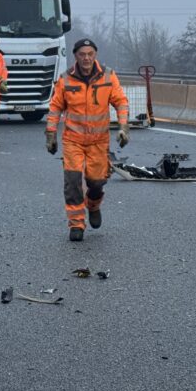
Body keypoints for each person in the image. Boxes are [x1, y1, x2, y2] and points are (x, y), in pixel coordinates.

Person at [46, 38, 129, 242]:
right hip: (73, 140)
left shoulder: (108, 76)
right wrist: (50, 134)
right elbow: (55, 107)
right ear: (75, 56)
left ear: (95, 55)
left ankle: (93, 205)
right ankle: (76, 224)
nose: (86, 58)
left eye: (90, 54)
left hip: (98, 141)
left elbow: (120, 101)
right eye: (82, 54)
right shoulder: (65, 80)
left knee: (96, 182)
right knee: (72, 182)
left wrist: (123, 127)